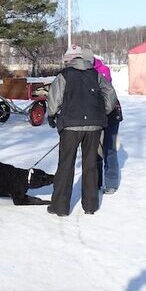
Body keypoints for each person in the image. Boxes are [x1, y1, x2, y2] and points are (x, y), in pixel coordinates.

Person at [46, 45, 117, 216]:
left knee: (65, 165)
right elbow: (111, 94)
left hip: (70, 125)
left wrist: (51, 115)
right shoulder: (96, 74)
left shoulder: (65, 74)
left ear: (73, 61)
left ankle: (60, 207)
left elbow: (54, 98)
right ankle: (91, 206)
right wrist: (103, 111)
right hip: (94, 126)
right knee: (91, 164)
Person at [93, 57, 122, 194]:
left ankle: (111, 182)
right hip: (95, 115)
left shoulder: (103, 70)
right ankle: (96, 181)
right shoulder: (84, 70)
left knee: (109, 149)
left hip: (111, 115)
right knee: (95, 149)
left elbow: (107, 93)